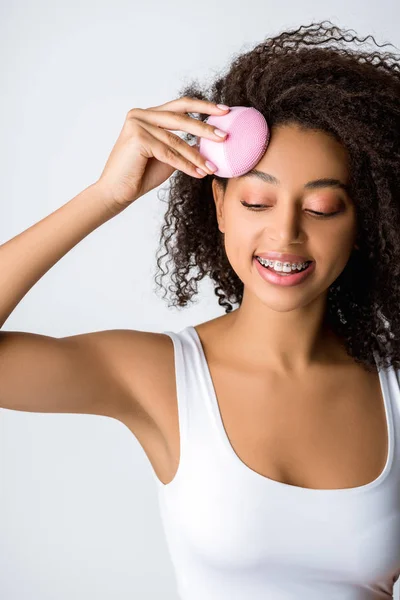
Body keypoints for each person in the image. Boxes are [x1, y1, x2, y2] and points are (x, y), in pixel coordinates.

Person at [1, 19, 400, 600]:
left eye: (322, 207)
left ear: (365, 224)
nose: (284, 233)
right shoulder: (162, 377)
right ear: (218, 204)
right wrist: (106, 195)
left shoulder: (391, 388)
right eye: (257, 201)